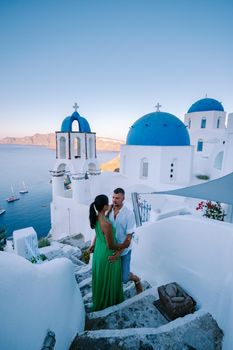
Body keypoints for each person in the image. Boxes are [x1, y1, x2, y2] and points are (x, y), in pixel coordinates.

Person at [89, 194, 131, 312]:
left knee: (102, 278)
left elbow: (99, 234)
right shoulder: (107, 224)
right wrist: (124, 245)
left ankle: (101, 299)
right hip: (108, 254)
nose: (110, 203)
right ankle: (109, 301)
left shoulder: (97, 217)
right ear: (104, 206)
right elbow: (111, 245)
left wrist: (109, 209)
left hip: (98, 252)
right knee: (110, 278)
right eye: (108, 203)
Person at [108, 188, 143, 294]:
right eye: (113, 197)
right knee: (113, 274)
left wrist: (118, 253)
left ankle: (136, 279)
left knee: (124, 278)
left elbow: (128, 239)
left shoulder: (129, 214)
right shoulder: (109, 210)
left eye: (117, 198)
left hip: (125, 250)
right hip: (111, 248)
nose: (114, 200)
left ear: (123, 198)